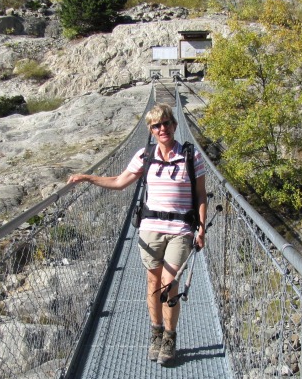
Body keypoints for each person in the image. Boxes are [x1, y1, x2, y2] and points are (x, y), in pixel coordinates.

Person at [68, 104, 206, 365]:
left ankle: (170, 337)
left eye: (166, 123)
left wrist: (201, 227)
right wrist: (88, 178)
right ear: (151, 130)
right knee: (153, 282)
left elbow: (200, 195)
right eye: (156, 125)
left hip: (181, 230)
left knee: (169, 283)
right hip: (151, 229)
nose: (162, 128)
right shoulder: (145, 156)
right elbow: (120, 182)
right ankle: (156, 332)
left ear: (175, 125)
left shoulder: (191, 156)